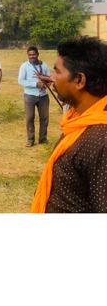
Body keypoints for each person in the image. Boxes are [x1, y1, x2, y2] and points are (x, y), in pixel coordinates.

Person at [31, 37, 107, 213]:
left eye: (57, 71)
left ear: (79, 80)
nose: (52, 78)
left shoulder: (101, 140)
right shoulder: (78, 122)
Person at [18, 45, 51, 147]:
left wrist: (46, 84)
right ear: (28, 55)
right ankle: (30, 139)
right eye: (30, 55)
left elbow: (49, 78)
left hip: (43, 96)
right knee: (29, 118)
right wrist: (35, 84)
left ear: (37, 54)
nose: (32, 56)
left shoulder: (44, 65)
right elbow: (21, 81)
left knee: (44, 118)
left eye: (34, 54)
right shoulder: (24, 66)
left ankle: (43, 139)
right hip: (29, 96)